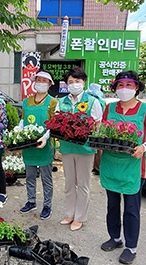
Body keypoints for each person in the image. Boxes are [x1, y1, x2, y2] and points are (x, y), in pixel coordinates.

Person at [100, 71, 146, 264]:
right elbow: (102, 131)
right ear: (115, 88)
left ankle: (131, 247)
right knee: (112, 205)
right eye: (120, 85)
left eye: (129, 85)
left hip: (133, 167)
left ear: (136, 88)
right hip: (111, 164)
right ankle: (115, 238)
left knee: (131, 209)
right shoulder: (109, 108)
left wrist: (144, 147)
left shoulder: (145, 109)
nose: (124, 88)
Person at [55, 67, 103, 231]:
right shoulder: (61, 102)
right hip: (67, 147)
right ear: (66, 84)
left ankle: (80, 217)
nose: (74, 84)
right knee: (69, 183)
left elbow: (98, 124)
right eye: (70, 82)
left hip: (85, 148)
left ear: (84, 82)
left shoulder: (92, 101)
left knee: (83, 184)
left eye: (77, 81)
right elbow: (56, 123)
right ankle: (70, 213)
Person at [19, 71, 58, 220]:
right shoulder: (26, 101)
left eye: (44, 80)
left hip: (45, 144)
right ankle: (31, 201)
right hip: (29, 144)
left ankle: (47, 205)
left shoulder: (53, 102)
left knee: (46, 177)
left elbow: (54, 124)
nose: (40, 82)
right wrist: (19, 131)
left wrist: (45, 137)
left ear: (49, 84)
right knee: (29, 175)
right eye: (38, 80)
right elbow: (23, 119)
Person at [86, 83, 106, 175]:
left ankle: (97, 167)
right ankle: (97, 167)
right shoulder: (102, 101)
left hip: (94, 125)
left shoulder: (94, 101)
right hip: (98, 126)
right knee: (97, 148)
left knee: (96, 148)